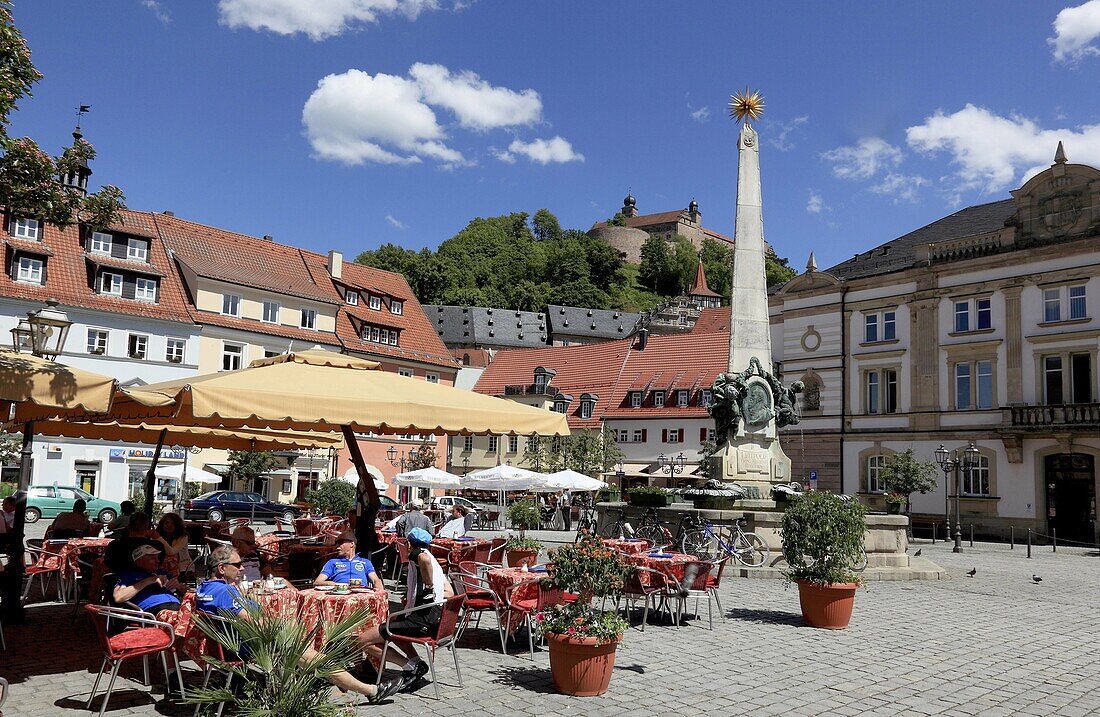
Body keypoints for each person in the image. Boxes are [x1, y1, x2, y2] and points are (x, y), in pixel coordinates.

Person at [199, 546, 401, 703]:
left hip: (227, 646)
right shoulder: (226, 593)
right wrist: (279, 624)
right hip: (253, 646)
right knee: (315, 655)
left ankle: (335, 678)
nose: (242, 567)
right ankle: (371, 690)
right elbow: (255, 623)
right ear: (222, 568)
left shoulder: (202, 590)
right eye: (237, 564)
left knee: (310, 647)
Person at [359, 528, 453, 692]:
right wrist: (417, 596)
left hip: (419, 621)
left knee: (362, 641)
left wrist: (428, 587)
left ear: (409, 544)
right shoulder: (434, 560)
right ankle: (418, 663)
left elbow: (423, 559)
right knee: (395, 623)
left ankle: (410, 667)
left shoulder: (418, 554)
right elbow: (450, 592)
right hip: (431, 619)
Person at [113, 544, 182, 612]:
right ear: (140, 561)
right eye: (153, 558)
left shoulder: (161, 572)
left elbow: (183, 590)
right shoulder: (128, 575)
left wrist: (178, 586)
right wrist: (149, 580)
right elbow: (118, 597)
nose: (157, 561)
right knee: (181, 620)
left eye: (157, 557)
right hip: (155, 608)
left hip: (177, 606)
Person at [314, 532, 385, 589]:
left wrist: (379, 588)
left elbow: (375, 579)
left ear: (352, 544)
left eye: (341, 543)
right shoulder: (332, 562)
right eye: (337, 544)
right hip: (340, 594)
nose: (337, 547)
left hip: (361, 596)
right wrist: (333, 584)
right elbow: (317, 582)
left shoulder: (365, 562)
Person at [156, 512, 193, 576]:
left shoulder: (183, 537)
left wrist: (159, 538)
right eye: (166, 523)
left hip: (182, 568)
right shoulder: (161, 536)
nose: (169, 525)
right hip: (163, 566)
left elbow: (172, 552)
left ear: (177, 526)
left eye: (172, 523)